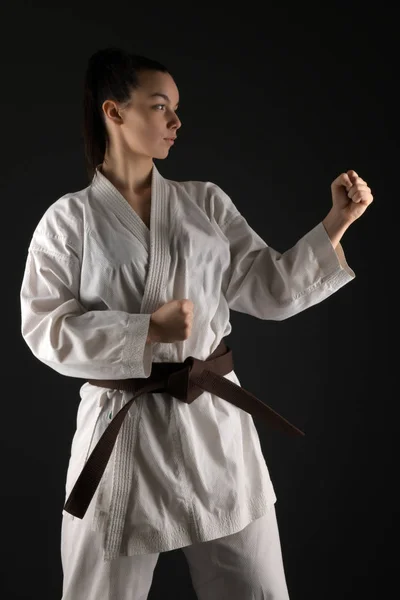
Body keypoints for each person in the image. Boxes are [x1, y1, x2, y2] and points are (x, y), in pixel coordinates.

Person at [19, 47, 373, 600]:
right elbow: (45, 328)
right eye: (161, 107)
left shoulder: (204, 203)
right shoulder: (71, 220)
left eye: (177, 108)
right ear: (114, 112)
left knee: (255, 588)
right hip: (122, 436)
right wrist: (145, 331)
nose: (176, 122)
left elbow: (271, 288)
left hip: (213, 424)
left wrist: (336, 223)